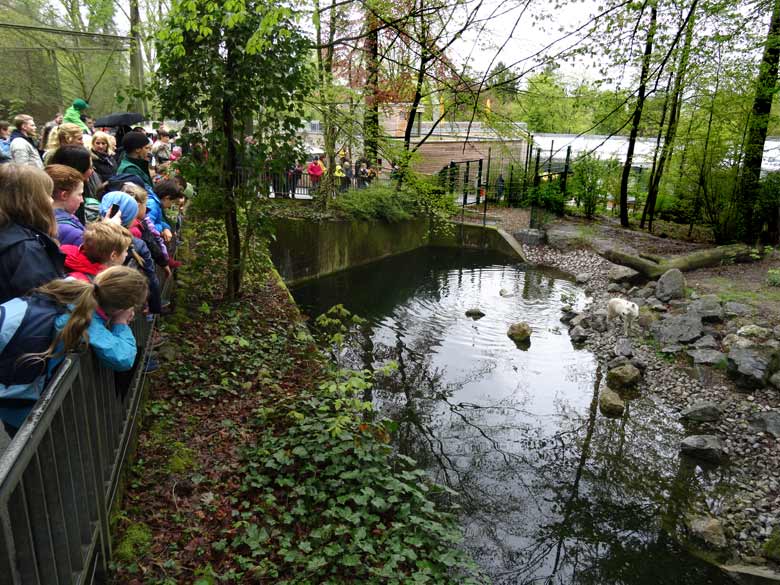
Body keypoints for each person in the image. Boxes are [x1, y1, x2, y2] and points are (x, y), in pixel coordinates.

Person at [0, 265, 147, 437]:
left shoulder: (67, 287)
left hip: (9, 383)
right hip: (20, 406)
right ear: (121, 307)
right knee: (34, 454)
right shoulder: (80, 318)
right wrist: (121, 323)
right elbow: (123, 358)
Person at [0, 164, 64, 304]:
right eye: (47, 194)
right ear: (33, 201)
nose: (52, 200)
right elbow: (44, 305)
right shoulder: (26, 249)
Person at [61, 221, 132, 282]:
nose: (126, 254)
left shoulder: (64, 256)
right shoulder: (78, 283)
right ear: (113, 255)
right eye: (125, 250)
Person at [46, 164, 85, 246]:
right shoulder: (74, 234)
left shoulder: (38, 219)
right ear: (64, 195)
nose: (82, 200)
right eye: (80, 194)